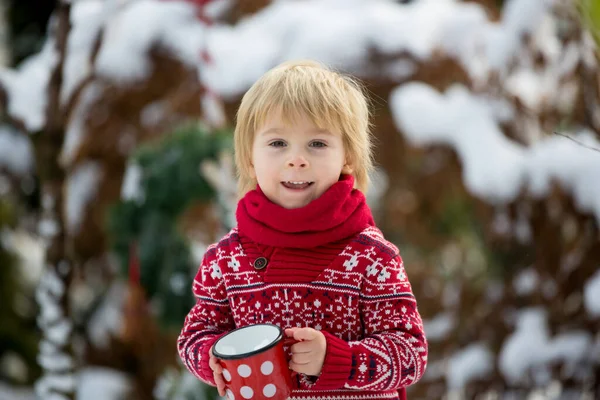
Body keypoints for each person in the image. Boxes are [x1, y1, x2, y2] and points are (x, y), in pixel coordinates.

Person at [178, 60, 427, 400]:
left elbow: (410, 354)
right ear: (250, 158)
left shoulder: (372, 258)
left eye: (317, 144)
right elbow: (196, 334)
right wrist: (212, 359)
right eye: (278, 143)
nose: (297, 159)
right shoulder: (227, 259)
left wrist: (336, 358)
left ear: (348, 157)